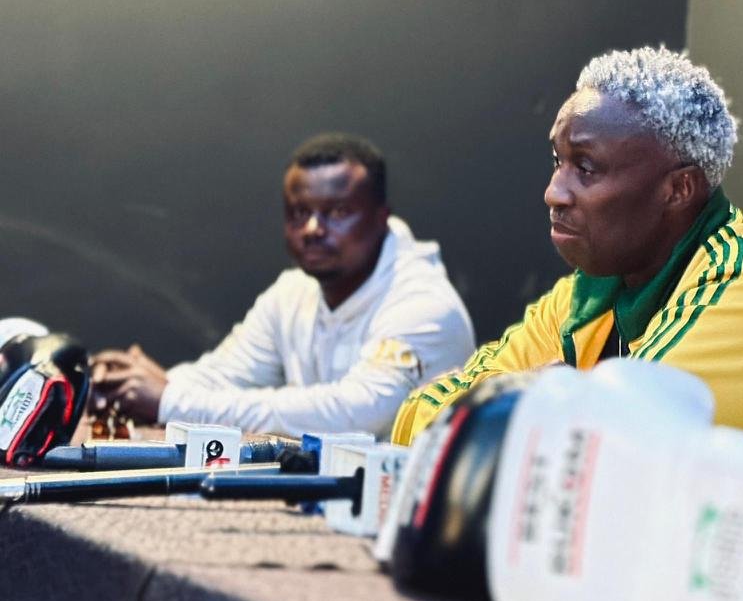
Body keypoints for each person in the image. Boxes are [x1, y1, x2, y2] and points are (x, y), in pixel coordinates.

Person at [391, 46, 743, 535]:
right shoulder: (587, 294)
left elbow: (595, 462)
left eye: (585, 167)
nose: (554, 192)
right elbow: (414, 419)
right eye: (557, 161)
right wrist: (537, 396)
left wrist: (526, 397)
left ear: (678, 189)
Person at [92, 133, 475, 438]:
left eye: (338, 212)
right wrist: (128, 386)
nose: (313, 229)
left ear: (381, 218)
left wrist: (169, 399)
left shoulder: (424, 304)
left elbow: (359, 413)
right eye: (299, 212)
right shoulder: (292, 292)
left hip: (410, 507)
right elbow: (224, 376)